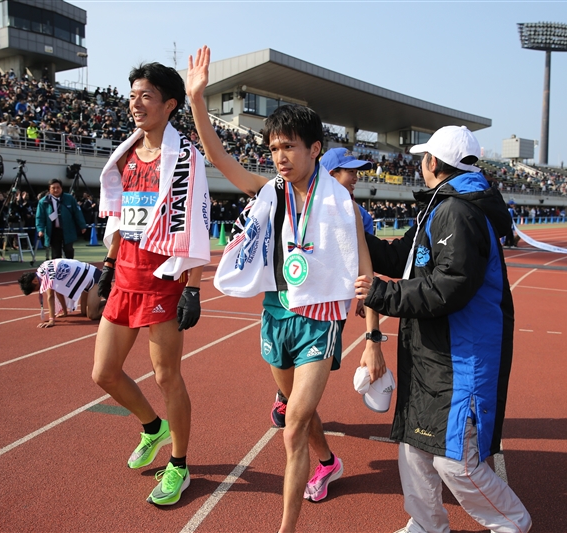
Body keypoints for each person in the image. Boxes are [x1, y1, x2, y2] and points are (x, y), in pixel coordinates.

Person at [187, 46, 384, 533]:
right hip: (276, 310)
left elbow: (363, 262)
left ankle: (286, 527)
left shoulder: (340, 202)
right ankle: (328, 462)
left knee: (293, 423)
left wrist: (373, 333)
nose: (280, 157)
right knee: (296, 408)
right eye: (274, 148)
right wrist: (197, 101)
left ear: (314, 148)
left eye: (289, 147)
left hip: (319, 316)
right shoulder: (271, 192)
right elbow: (219, 158)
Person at [355, 126, 531, 533]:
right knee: (415, 446)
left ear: (432, 163)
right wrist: (357, 233)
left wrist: (382, 296)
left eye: (423, 158)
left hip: (462, 355)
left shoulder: (459, 210)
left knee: (457, 460)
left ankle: (511, 522)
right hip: (432, 351)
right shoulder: (440, 206)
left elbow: (450, 287)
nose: (420, 164)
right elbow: (401, 255)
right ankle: (426, 523)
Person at [93, 61, 210, 507]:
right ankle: (151, 426)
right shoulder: (123, 156)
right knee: (103, 372)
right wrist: (107, 265)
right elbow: (121, 217)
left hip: (164, 281)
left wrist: (193, 287)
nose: (135, 104)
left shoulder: (185, 159)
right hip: (125, 275)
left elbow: (197, 221)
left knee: (166, 375)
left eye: (145, 96)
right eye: (132, 96)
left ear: (169, 105)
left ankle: (179, 464)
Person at [269, 147, 376, 428]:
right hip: (290, 298)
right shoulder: (291, 202)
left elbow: (364, 259)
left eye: (357, 171)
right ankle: (286, 394)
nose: (355, 177)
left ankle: (296, 408)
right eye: (349, 171)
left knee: (308, 383)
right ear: (330, 174)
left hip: (329, 307)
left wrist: (367, 297)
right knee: (285, 361)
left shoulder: (359, 215)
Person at [17, 258, 105, 328]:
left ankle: (116, 303)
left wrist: (52, 320)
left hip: (94, 277)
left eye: (37, 289)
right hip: (85, 281)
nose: (40, 290)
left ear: (35, 281)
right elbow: (59, 292)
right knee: (84, 312)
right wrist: (65, 312)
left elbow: (50, 296)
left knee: (93, 315)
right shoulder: (42, 269)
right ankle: (109, 302)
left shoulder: (47, 277)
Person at [35, 179, 86, 259]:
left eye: (58, 187)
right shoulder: (43, 202)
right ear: (49, 189)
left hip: (67, 229)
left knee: (69, 250)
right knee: (56, 253)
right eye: (53, 188)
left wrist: (82, 225)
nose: (56, 190)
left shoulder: (69, 198)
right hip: (53, 230)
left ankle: (70, 268)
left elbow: (77, 212)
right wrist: (40, 229)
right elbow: (40, 217)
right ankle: (57, 270)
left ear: (61, 188)